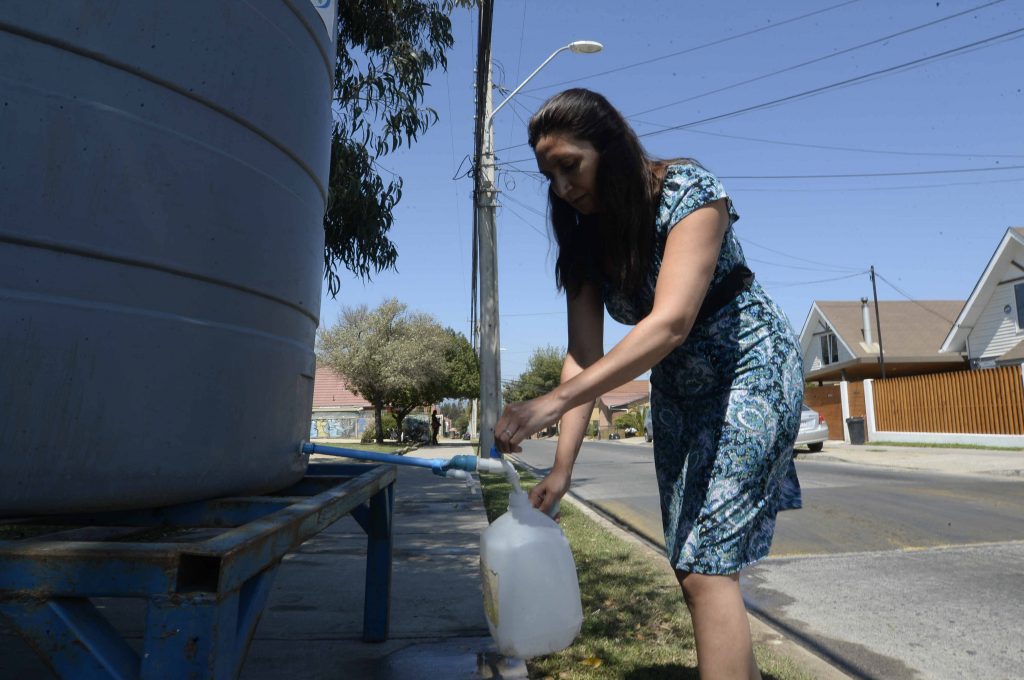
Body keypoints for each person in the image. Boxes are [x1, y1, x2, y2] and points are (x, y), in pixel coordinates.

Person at [494, 89, 803, 679]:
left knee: (709, 569)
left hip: (751, 369)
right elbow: (583, 355)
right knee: (692, 568)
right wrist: (560, 471)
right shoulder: (583, 233)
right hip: (680, 391)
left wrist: (549, 404)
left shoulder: (690, 190)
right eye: (548, 175)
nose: (560, 187)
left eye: (569, 166)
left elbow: (670, 322)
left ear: (608, 147)